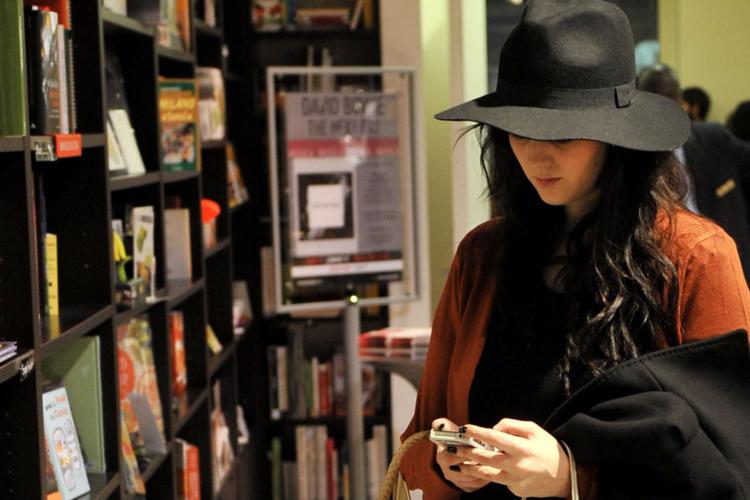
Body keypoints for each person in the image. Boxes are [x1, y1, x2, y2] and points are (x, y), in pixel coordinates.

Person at [399, 1, 750, 499]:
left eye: (563, 135)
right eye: (519, 130)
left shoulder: (695, 258)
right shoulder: (484, 256)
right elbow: (421, 435)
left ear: (616, 139)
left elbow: (730, 460)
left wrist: (571, 479)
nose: (536, 154)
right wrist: (448, 461)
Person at [638, 64, 750, 281]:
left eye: (669, 100)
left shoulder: (713, 140)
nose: (663, 111)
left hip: (733, 271)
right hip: (668, 277)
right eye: (654, 101)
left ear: (682, 103)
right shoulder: (628, 158)